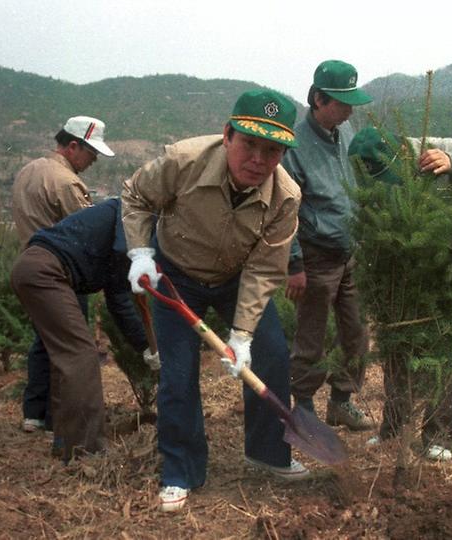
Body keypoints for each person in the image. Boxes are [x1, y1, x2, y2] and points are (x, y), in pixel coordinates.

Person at [121, 89, 304, 512]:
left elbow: (264, 269)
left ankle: (267, 452)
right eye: (250, 144)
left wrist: (241, 336)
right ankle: (180, 470)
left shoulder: (286, 197)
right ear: (227, 135)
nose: (258, 159)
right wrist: (140, 252)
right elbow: (135, 195)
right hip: (175, 273)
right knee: (178, 373)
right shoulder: (184, 160)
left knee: (272, 353)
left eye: (272, 150)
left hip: (236, 276)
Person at [348, 125, 452, 461]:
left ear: (401, 152)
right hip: (408, 269)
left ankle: (438, 435)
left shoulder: (436, 147)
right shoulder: (368, 178)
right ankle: (394, 430)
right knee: (399, 345)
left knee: (448, 345)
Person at [10, 198, 152, 462]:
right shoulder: (130, 216)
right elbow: (121, 294)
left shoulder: (125, 224)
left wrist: (145, 346)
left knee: (66, 357)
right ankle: (87, 455)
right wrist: (146, 346)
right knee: (81, 356)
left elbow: (118, 299)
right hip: (44, 270)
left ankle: (65, 442)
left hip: (36, 268)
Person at [280, 60, 375, 430]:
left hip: (350, 252)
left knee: (357, 332)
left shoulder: (346, 131)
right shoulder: (295, 146)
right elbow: (285, 210)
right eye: (341, 102)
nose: (350, 109)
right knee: (311, 337)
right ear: (318, 99)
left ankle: (341, 401)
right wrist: (295, 264)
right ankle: (303, 407)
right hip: (315, 257)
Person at [12, 116, 115, 434]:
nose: (93, 160)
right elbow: (89, 234)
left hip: (29, 269)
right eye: (91, 153)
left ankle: (35, 412)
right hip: (63, 274)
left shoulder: (28, 171)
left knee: (44, 340)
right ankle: (64, 420)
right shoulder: (67, 183)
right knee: (73, 349)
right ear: (74, 146)